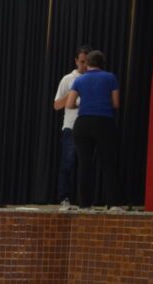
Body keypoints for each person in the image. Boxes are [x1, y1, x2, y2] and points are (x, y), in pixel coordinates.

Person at [66, 50, 122, 210]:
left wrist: (84, 104)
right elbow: (116, 104)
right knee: (108, 164)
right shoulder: (110, 77)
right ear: (102, 63)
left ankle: (85, 205)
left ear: (87, 64)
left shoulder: (79, 79)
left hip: (83, 123)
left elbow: (69, 104)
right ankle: (113, 204)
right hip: (104, 122)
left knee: (84, 165)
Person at [52, 46, 90, 211]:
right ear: (76, 61)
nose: (85, 65)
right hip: (71, 127)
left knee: (87, 164)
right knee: (68, 163)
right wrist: (73, 92)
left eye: (87, 62)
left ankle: (86, 201)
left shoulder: (94, 78)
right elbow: (56, 105)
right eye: (82, 62)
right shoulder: (68, 79)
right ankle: (64, 198)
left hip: (89, 127)